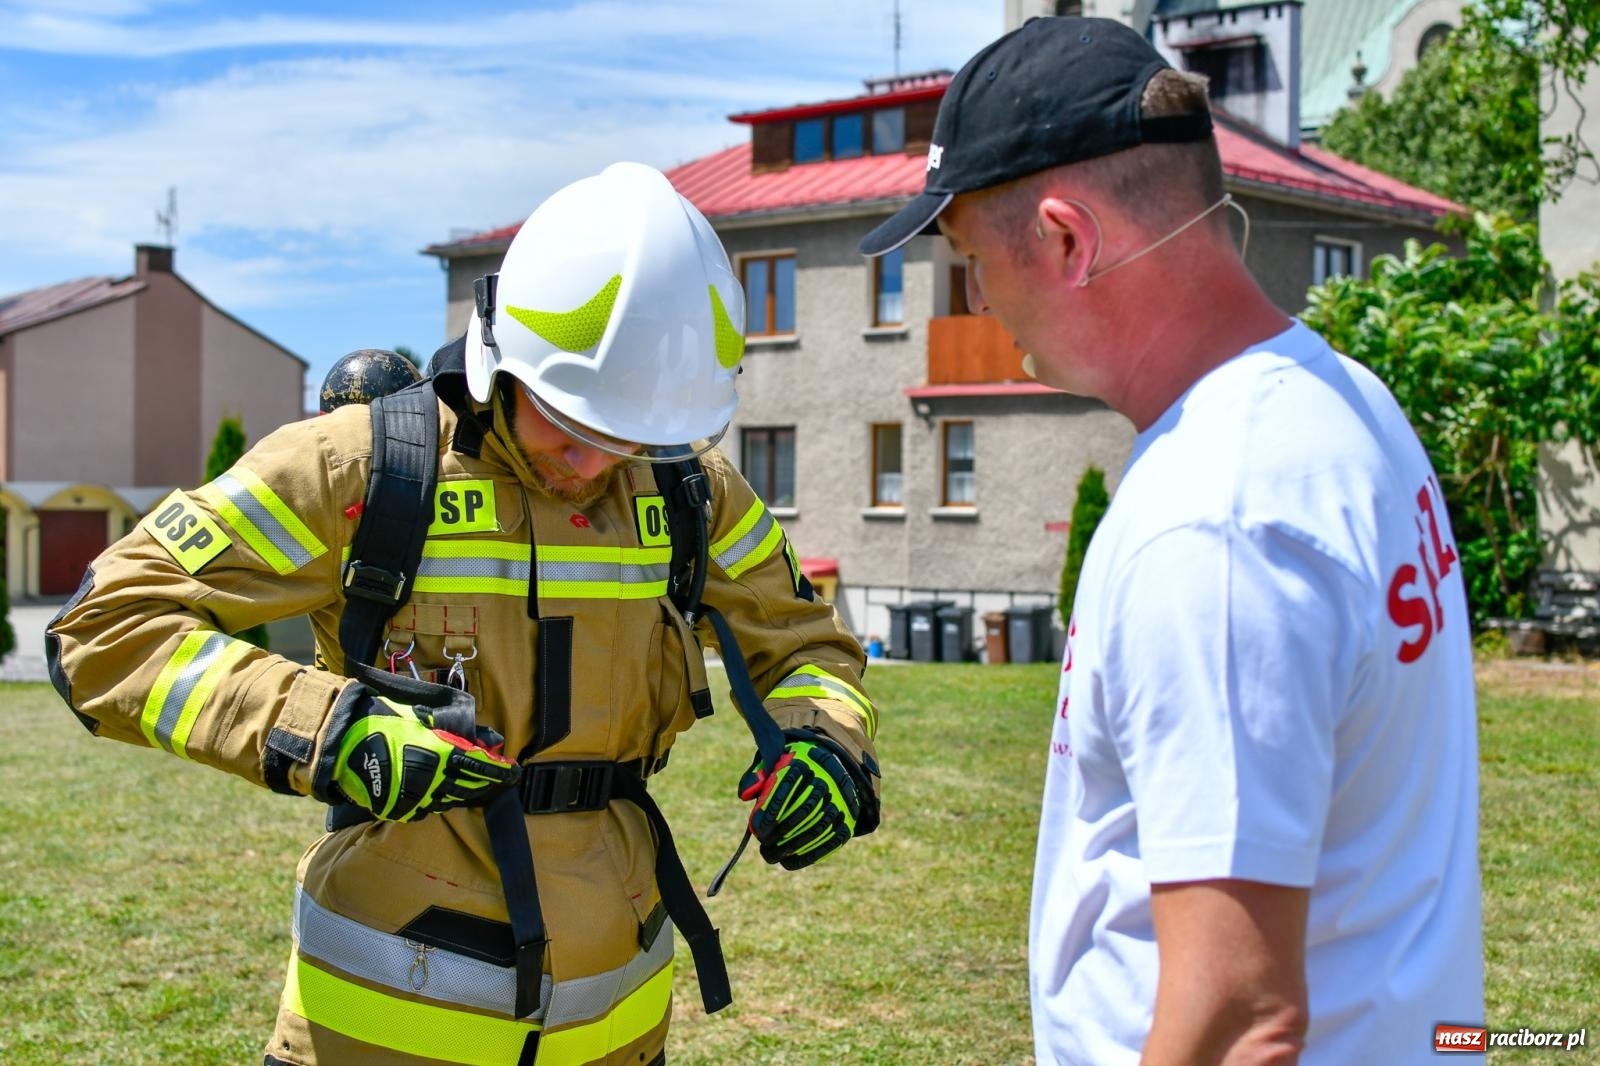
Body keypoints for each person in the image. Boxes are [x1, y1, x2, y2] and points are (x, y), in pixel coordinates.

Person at [47, 161, 881, 1066]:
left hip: (622, 1016)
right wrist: (334, 734)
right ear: (502, 357)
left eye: (626, 436)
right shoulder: (359, 468)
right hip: (379, 1019)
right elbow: (105, 628)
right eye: (568, 421)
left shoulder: (691, 490)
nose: (593, 464)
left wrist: (826, 741)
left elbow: (808, 643)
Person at [861, 17, 1481, 1065]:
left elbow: (1240, 1014)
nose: (979, 301)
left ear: (1064, 238)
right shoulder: (1339, 400)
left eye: (970, 259)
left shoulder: (1212, 524)